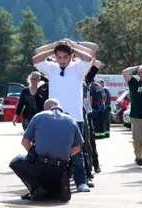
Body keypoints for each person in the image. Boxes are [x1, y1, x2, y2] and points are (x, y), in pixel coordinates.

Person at [33, 39, 93, 192]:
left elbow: (89, 57)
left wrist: (73, 47)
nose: (62, 60)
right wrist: (53, 48)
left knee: (77, 151)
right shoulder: (51, 68)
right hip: (55, 117)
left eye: (65, 57)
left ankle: (81, 182)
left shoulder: (78, 68)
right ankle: (55, 180)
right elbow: (35, 59)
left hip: (75, 117)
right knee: (53, 151)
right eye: (59, 57)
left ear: (71, 56)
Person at [9, 99, 83, 202]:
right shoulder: (72, 120)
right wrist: (64, 154)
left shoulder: (39, 117)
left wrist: (33, 152)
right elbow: (77, 148)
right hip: (60, 169)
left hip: (41, 165)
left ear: (46, 108)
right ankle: (51, 191)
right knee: (53, 192)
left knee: (16, 162)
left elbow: (25, 142)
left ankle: (36, 188)